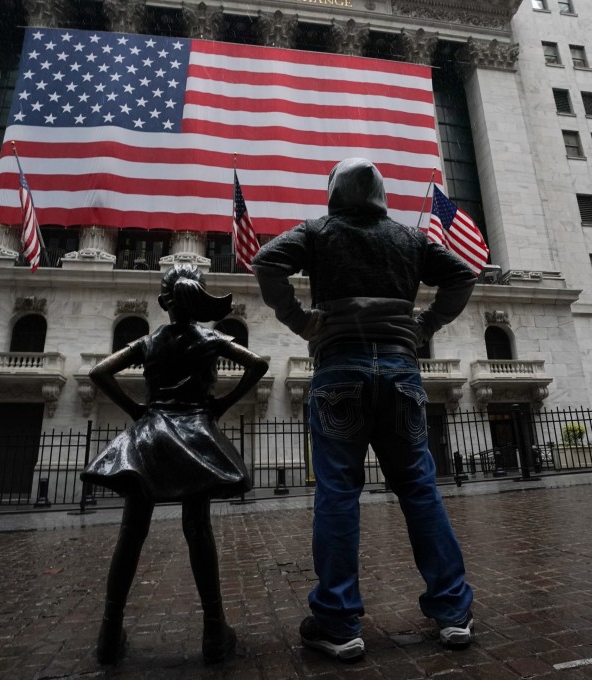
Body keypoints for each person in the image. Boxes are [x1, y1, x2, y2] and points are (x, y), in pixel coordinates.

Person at [251, 158, 477, 661]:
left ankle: (338, 622)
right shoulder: (410, 239)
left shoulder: (318, 231)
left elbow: (266, 261)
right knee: (419, 489)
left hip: (340, 371)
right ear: (379, 193)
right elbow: (462, 275)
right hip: (401, 372)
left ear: (335, 191)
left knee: (337, 492)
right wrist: (426, 325)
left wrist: (300, 321)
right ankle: (453, 612)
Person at [81, 264, 269, 665]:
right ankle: (214, 631)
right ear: (197, 301)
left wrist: (137, 411)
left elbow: (99, 372)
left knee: (132, 532)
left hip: (150, 436)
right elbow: (257, 364)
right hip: (195, 434)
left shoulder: (148, 342)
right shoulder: (210, 337)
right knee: (198, 528)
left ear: (165, 302)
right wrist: (221, 405)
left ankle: (108, 634)